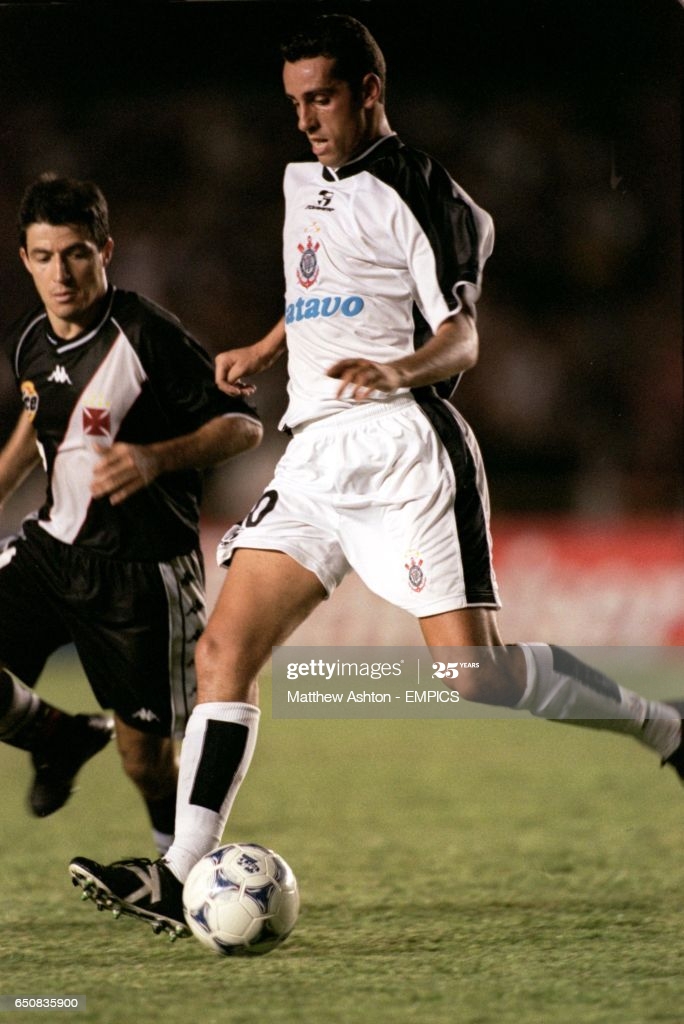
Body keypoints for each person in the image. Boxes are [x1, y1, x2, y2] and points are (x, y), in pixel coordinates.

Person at [69, 14, 683, 936]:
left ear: (368, 91)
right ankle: (177, 871)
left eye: (321, 98)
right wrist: (274, 344)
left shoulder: (416, 186)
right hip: (315, 450)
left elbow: (463, 335)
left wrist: (397, 369)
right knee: (221, 653)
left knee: (473, 677)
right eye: (294, 103)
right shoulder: (303, 180)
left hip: (405, 445)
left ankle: (662, 726)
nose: (307, 120)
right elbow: (325, 282)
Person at [0, 174, 262, 854]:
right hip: (52, 552)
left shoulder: (147, 335)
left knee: (144, 762)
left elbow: (241, 427)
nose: (63, 272)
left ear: (105, 250)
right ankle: (55, 737)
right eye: (46, 256)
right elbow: (36, 431)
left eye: (78, 253)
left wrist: (155, 457)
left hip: (142, 577)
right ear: (24, 258)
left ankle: (182, 878)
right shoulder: (28, 340)